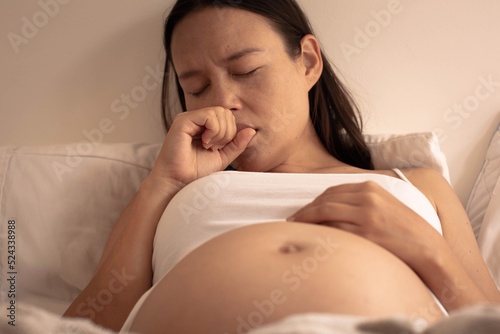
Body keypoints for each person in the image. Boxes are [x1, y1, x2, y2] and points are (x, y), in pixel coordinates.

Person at [63, 0, 500, 333]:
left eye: (247, 70)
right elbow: (88, 324)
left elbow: (488, 319)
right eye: (195, 87)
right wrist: (164, 182)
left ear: (308, 62)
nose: (223, 103)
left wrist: (426, 248)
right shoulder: (172, 190)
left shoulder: (416, 184)